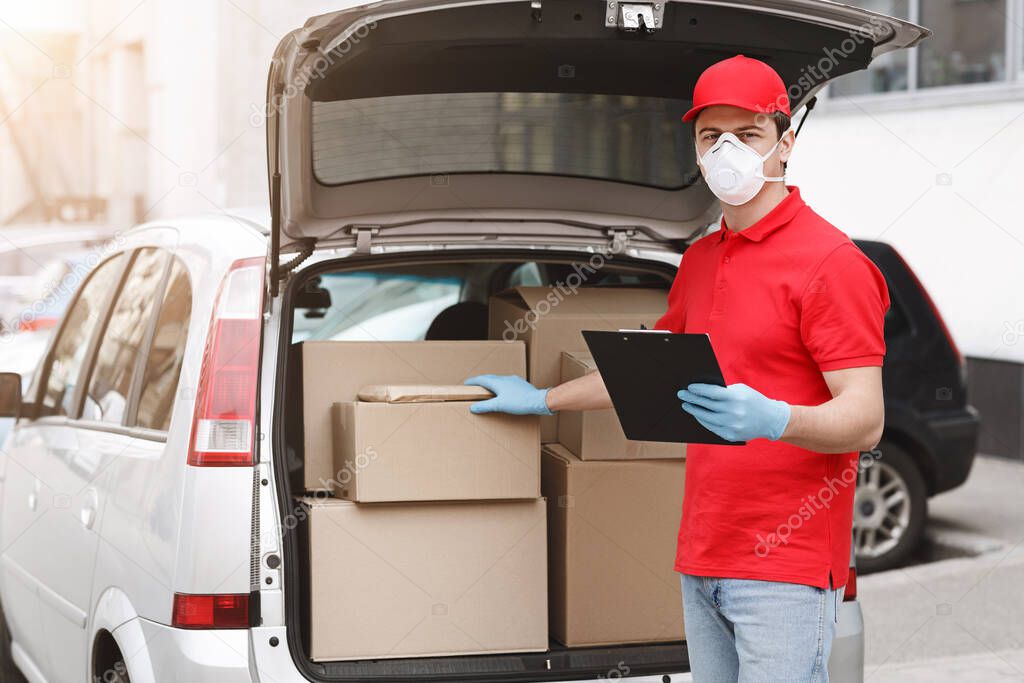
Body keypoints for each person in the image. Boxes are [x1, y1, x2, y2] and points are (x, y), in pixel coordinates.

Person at [464, 54, 890, 682]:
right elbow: (647, 371)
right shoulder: (699, 261)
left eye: (747, 135)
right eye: (709, 136)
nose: (727, 150)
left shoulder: (831, 263)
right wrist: (543, 399)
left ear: (785, 143)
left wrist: (776, 418)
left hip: (785, 566)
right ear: (693, 148)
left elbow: (866, 419)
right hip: (704, 553)